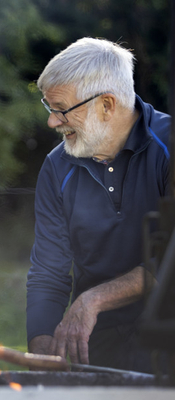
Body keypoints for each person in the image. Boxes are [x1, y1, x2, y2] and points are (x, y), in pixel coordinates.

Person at [26, 38, 171, 373]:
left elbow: (171, 263)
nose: (52, 122)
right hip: (94, 347)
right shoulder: (56, 166)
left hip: (167, 340)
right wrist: (41, 346)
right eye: (50, 110)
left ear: (107, 105)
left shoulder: (170, 148)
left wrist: (93, 300)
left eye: (61, 109)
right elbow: (49, 271)